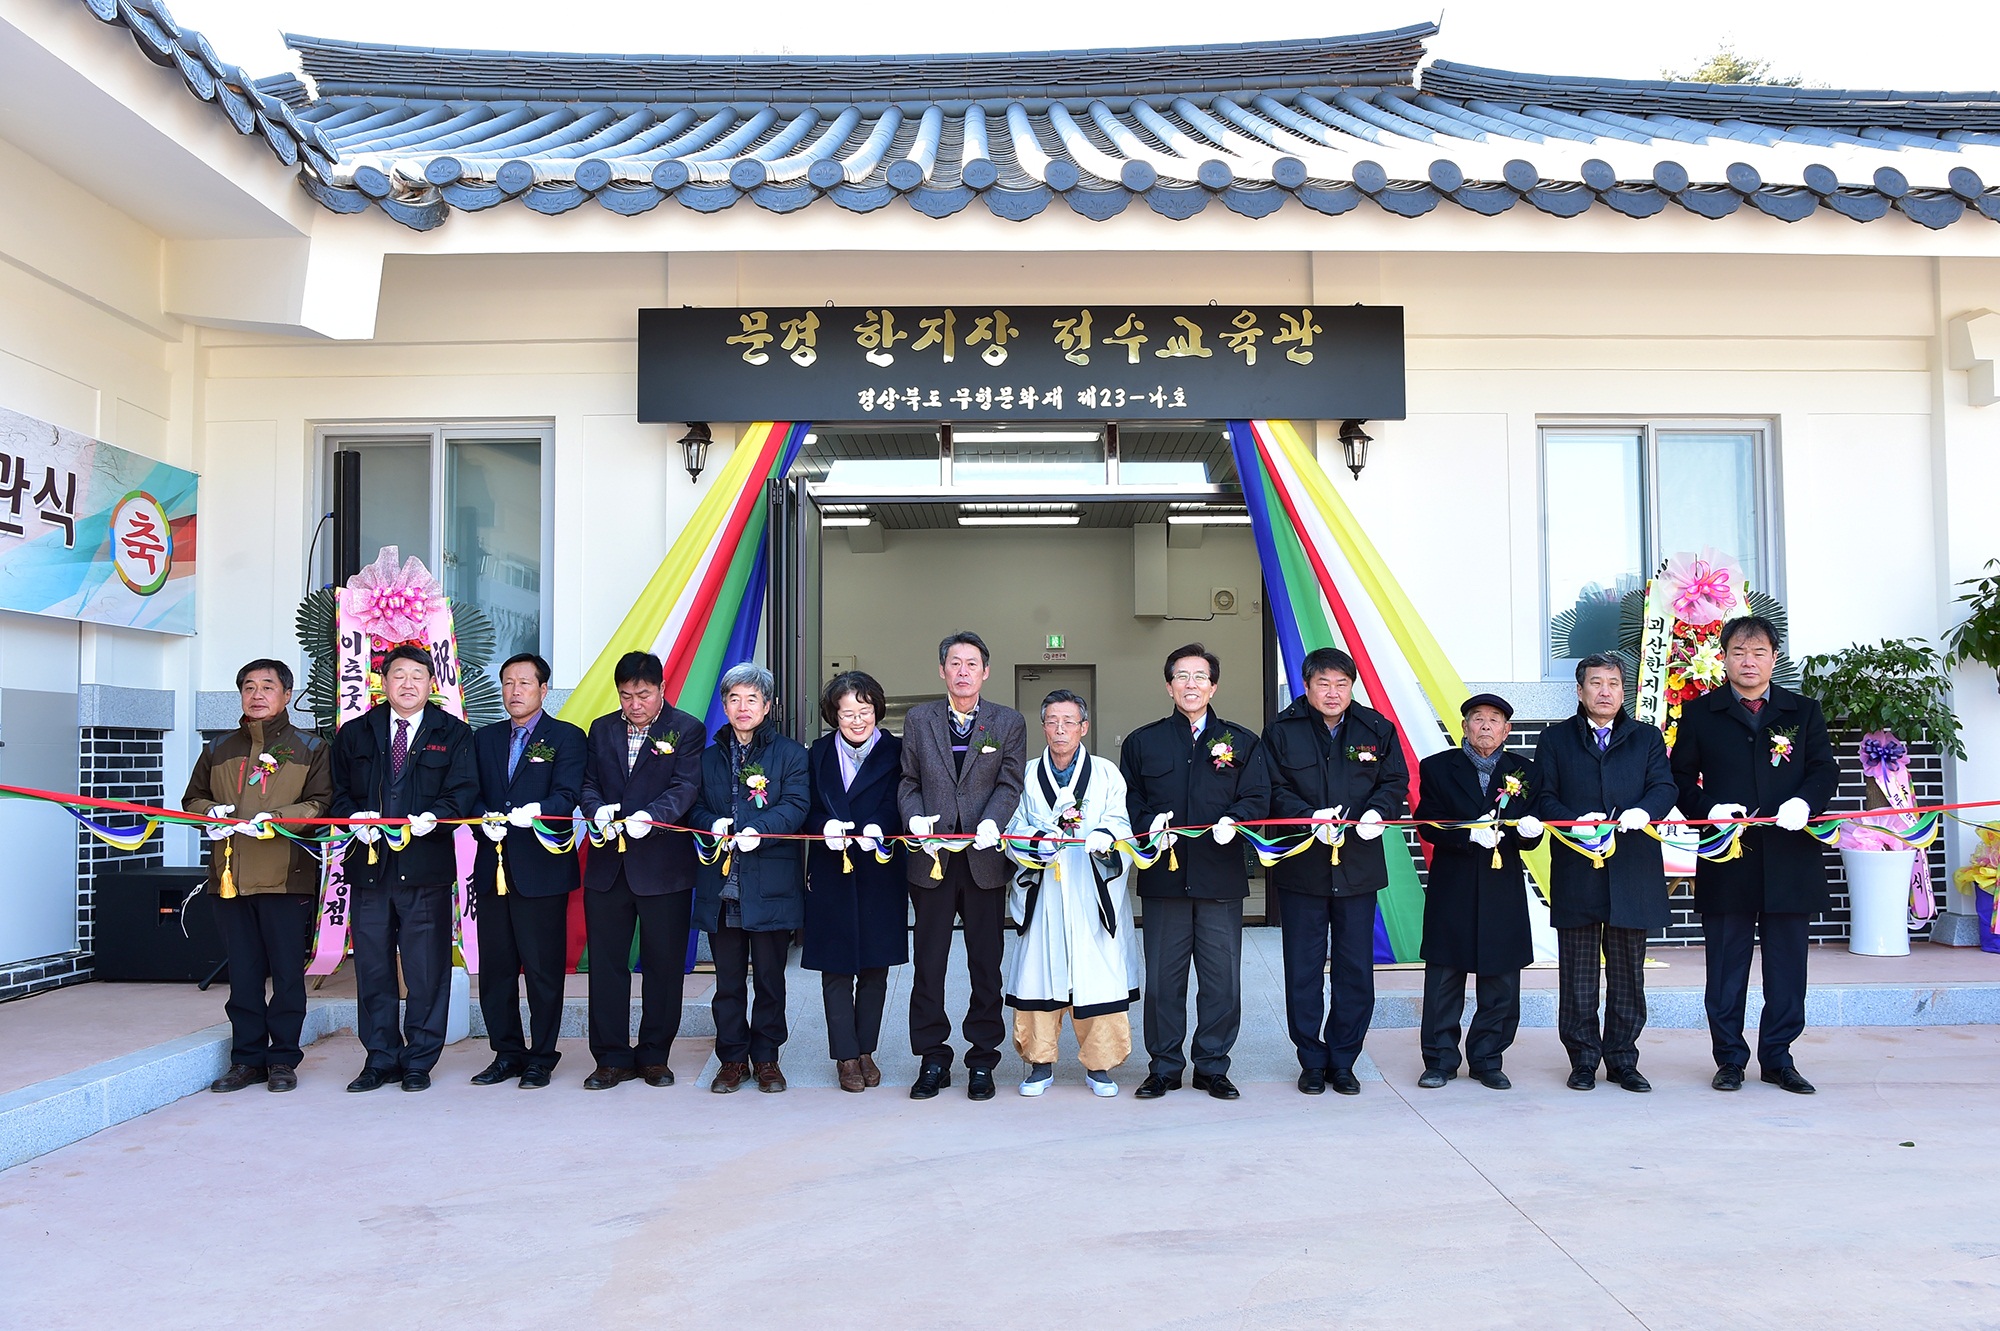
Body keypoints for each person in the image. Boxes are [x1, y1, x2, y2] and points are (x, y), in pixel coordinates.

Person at [1671, 615, 1838, 1095]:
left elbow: (1824, 771)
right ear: (1723, 658)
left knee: (1787, 968)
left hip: (1790, 856)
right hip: (1728, 857)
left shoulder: (1802, 711)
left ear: (1774, 658)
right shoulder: (1701, 713)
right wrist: (1708, 808)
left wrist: (1805, 802)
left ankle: (1778, 1058)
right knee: (1726, 967)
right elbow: (1678, 778)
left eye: (1759, 652)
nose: (1749, 661)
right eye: (1739, 652)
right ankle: (1729, 1059)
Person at [1119, 643, 1269, 1101]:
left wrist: (1236, 821)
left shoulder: (1242, 742)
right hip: (1164, 879)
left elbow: (1258, 796)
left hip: (1219, 878)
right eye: (1181, 676)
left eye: (1200, 676)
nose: (1191, 684)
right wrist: (1148, 824)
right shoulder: (1143, 742)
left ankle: (1212, 1066)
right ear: (1169, 686)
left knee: (1221, 980)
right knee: (1164, 982)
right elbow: (1129, 799)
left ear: (1213, 686)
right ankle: (1164, 1067)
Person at [1258, 646, 1410, 1096]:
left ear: (1352, 686)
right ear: (1306, 686)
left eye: (1341, 684)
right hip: (1302, 866)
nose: (1332, 692)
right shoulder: (1281, 730)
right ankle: (1310, 1059)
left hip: (1358, 868)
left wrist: (1378, 811)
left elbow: (1395, 781)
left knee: (1354, 969)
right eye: (1323, 683)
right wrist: (1307, 816)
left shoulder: (1376, 728)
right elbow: (1270, 788)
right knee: (1303, 969)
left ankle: (1344, 1059)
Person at [330, 645, 478, 1093]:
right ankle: (379, 1058)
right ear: (384, 682)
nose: (408, 683)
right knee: (372, 968)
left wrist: (437, 816)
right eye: (399, 675)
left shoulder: (453, 733)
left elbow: (463, 790)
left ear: (432, 682)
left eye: (418, 675)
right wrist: (352, 818)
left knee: (425, 971)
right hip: (369, 870)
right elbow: (336, 792)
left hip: (425, 870)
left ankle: (418, 1060)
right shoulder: (356, 733)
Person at [1531, 654, 1680, 1093]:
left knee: (1628, 974)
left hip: (1632, 869)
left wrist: (1644, 811)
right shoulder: (1555, 739)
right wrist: (1574, 822)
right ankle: (1582, 1060)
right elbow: (1543, 796)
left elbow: (1665, 786)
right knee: (1578, 975)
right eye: (1595, 683)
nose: (1604, 691)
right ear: (1579, 691)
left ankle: (1622, 1060)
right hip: (1578, 867)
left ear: (1622, 691)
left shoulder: (1646, 737)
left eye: (1613, 683)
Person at [182, 659, 333, 1094]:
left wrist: (280, 818)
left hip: (286, 878)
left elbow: (322, 803)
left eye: (268, 686)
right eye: (248, 687)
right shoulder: (219, 748)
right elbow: (192, 798)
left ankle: (283, 1058)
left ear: (287, 695)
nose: (257, 695)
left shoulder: (311, 747)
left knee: (287, 975)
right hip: (230, 876)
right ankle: (246, 1059)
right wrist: (207, 813)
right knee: (244, 976)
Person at [897, 631, 1027, 1101]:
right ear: (942, 670)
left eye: (972, 664)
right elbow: (908, 781)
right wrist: (914, 819)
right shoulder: (919, 719)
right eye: (955, 663)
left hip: (983, 860)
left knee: (985, 965)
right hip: (931, 859)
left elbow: (1010, 783)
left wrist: (992, 821)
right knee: (928, 964)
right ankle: (932, 1057)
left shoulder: (1007, 721)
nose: (963, 671)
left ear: (985, 672)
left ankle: (982, 1059)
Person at [578, 650, 707, 1090]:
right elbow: (588, 782)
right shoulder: (602, 729)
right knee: (606, 966)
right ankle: (610, 1058)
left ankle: (654, 1055)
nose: (635, 705)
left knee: (663, 966)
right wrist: (595, 809)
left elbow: (685, 786)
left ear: (662, 689)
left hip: (663, 866)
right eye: (626, 696)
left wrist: (652, 817)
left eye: (644, 695)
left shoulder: (686, 729)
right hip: (608, 867)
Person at [1003, 690, 1139, 1097]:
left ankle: (1100, 1066)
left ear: (1084, 727)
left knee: (1096, 974)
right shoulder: (1026, 775)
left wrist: (1106, 836)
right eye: (1052, 721)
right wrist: (1035, 843)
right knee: (1039, 973)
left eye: (1069, 722)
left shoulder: (1106, 774)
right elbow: (1013, 825)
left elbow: (1121, 820)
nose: (1060, 729)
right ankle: (1039, 1063)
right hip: (1044, 888)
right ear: (1043, 726)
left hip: (1089, 889)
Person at [1412, 694, 1543, 1090]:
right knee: (1444, 977)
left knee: (1501, 978)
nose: (1486, 725)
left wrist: (1529, 833)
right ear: (1464, 726)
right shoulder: (1437, 767)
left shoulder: (1525, 771)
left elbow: (1531, 832)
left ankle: (1487, 1059)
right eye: (1478, 718)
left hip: (1502, 886)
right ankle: (1439, 1060)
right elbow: (1427, 823)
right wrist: (1467, 835)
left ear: (1507, 730)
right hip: (1454, 883)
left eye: (1494, 719)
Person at [468, 652, 586, 1090]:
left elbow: (569, 794)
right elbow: (469, 792)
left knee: (542, 970)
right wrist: (482, 818)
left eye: (524, 683)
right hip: (493, 868)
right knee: (496, 971)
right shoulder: (484, 738)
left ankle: (542, 1057)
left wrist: (538, 811)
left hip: (541, 870)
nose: (514, 691)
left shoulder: (566, 736)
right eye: (507, 683)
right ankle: (506, 1053)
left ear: (543, 689)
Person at [692, 664, 810, 1093]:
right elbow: (694, 807)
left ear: (767, 706)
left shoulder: (790, 754)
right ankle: (731, 1059)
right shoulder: (707, 757)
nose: (743, 707)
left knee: (769, 980)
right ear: (724, 706)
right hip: (721, 887)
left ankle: (766, 1058)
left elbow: (796, 805)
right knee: (727, 983)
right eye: (735, 699)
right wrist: (712, 823)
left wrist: (759, 829)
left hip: (769, 884)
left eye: (752, 699)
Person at [803, 671, 906, 1092]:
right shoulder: (818, 753)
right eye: (848, 713)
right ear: (834, 715)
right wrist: (824, 825)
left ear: (877, 710)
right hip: (831, 868)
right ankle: (845, 1056)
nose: (857, 720)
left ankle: (866, 1050)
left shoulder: (897, 751)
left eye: (864, 711)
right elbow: (806, 806)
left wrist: (880, 824)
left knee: (875, 967)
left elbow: (902, 800)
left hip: (879, 867)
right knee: (836, 967)